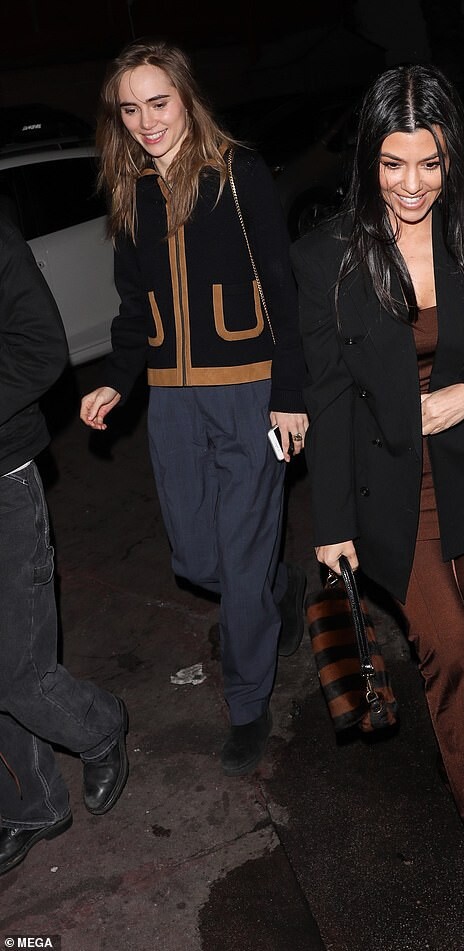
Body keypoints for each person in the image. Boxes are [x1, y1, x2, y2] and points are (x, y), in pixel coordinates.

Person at [291, 64, 464, 933]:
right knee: (445, 653)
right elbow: (330, 394)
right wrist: (332, 523)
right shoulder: (329, 255)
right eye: (392, 164)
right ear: (368, 158)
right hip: (388, 484)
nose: (411, 185)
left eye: (431, 163)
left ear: (455, 157)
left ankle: (461, 737)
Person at [80, 39, 308, 778]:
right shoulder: (130, 190)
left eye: (159, 102)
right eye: (130, 109)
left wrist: (289, 394)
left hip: (248, 391)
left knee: (237, 562)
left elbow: (281, 287)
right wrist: (117, 379)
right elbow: (133, 307)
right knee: (199, 559)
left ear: (186, 97)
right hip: (172, 400)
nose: (147, 122)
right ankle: (280, 586)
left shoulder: (237, 173)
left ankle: (247, 703)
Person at [0, 214, 129, 876]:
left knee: (20, 671)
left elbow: (41, 348)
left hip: (3, 478)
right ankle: (32, 803)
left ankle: (100, 725)